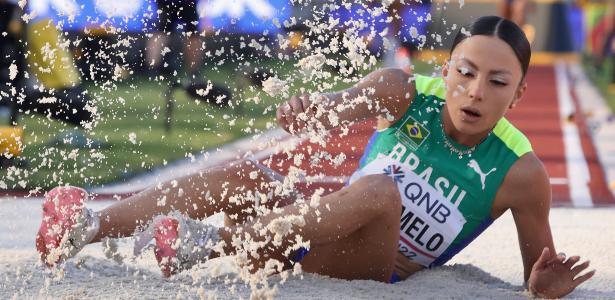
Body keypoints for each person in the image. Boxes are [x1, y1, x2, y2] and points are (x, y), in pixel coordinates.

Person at [36, 16, 594, 298]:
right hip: (303, 234)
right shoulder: (401, 90)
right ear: (445, 71)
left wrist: (540, 289)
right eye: (465, 74)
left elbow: (535, 276)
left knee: (382, 192)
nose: (475, 92)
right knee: (246, 173)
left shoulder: (521, 173)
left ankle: (211, 244)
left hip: (373, 270)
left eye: (497, 82)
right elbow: (331, 108)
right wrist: (309, 109)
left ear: (519, 94)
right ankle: (88, 223)